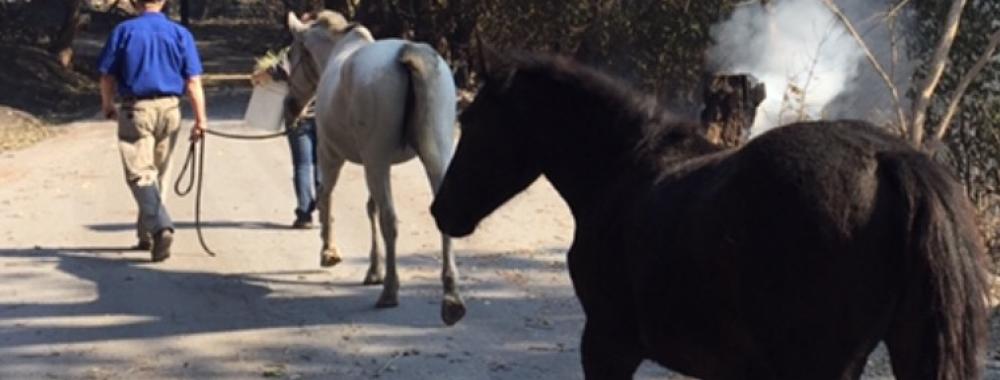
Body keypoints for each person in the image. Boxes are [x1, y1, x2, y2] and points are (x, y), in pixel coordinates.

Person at [98, 0, 208, 262]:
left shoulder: (124, 32)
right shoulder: (180, 33)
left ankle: (160, 227)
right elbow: (193, 82)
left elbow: (106, 76)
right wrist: (201, 119)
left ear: (135, 3)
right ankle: (146, 235)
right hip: (170, 109)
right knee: (158, 172)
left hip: (136, 109)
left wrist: (107, 104)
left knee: (139, 173)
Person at [252, 51, 320, 229]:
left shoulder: (296, 51)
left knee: (303, 165)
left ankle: (305, 214)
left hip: (298, 115)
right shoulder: (331, 49)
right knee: (323, 163)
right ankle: (324, 202)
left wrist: (259, 75)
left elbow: (278, 70)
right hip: (326, 117)